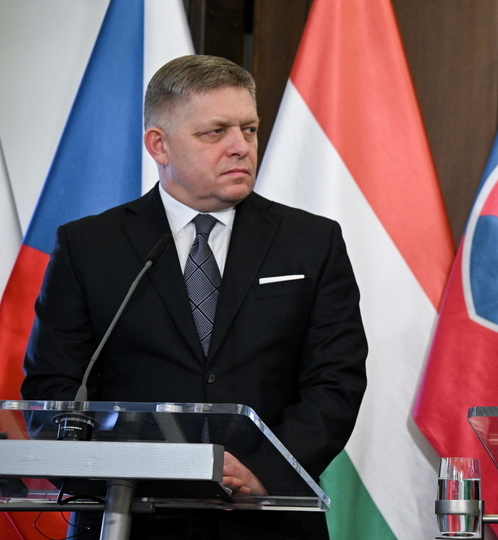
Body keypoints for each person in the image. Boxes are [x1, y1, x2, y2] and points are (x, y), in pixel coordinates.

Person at [21, 55, 367, 539]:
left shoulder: (311, 241)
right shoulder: (88, 247)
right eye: (215, 132)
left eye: (249, 129)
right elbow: (54, 390)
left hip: (267, 518)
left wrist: (262, 470)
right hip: (130, 520)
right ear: (158, 145)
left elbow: (336, 380)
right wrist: (130, 470)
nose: (240, 146)